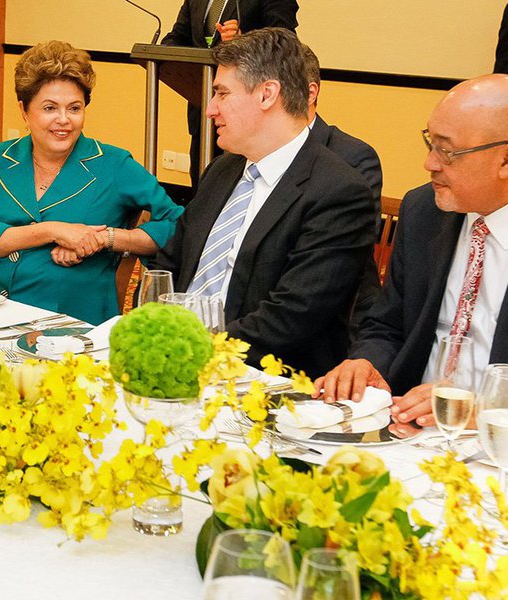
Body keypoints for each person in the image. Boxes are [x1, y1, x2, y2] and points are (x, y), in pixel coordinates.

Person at [150, 28, 375, 378]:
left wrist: (193, 349)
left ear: (267, 94)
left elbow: (291, 316)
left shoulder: (338, 190)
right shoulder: (222, 171)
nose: (209, 110)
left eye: (222, 93)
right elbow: (170, 261)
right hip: (172, 359)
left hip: (261, 382)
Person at [315, 74, 508, 437]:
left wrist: (486, 409)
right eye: (429, 143)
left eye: (447, 151)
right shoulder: (424, 211)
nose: (429, 163)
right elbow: (387, 324)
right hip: (408, 428)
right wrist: (367, 362)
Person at [0, 41, 183, 325]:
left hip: (71, 322)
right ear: (24, 110)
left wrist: (105, 238)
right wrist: (53, 231)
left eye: (74, 108)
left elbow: (180, 225)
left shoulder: (113, 164)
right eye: (50, 108)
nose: (63, 120)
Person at [161, 0, 298, 190]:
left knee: (239, 190)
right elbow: (176, 38)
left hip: (249, 115)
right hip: (203, 110)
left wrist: (244, 41)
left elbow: (286, 44)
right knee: (203, 189)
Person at [303, 44, 383, 338]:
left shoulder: (353, 156)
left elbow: (350, 249)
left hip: (335, 318)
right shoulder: (242, 158)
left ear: (310, 93)